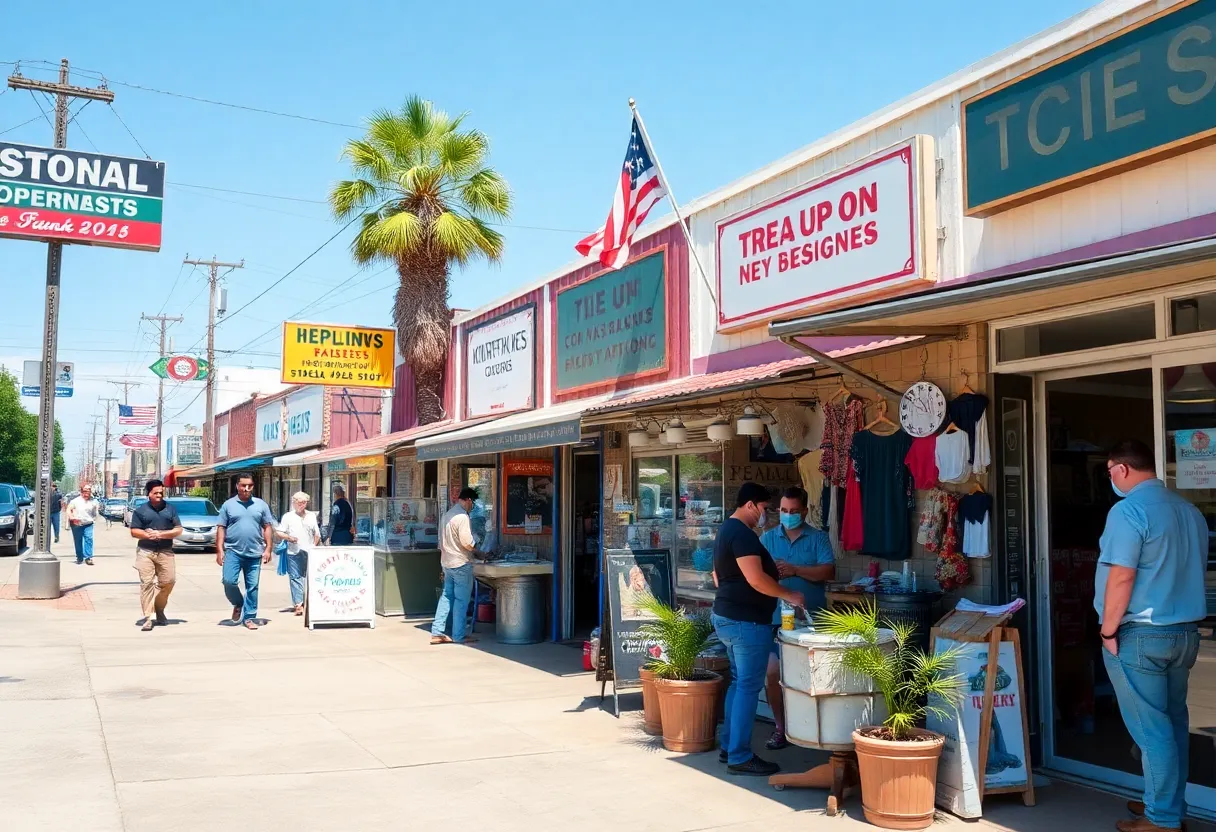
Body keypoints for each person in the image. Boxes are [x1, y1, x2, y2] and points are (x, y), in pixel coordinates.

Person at [1097, 440, 1207, 832]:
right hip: (1185, 634)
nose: (1110, 480)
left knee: (1152, 732)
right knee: (1173, 725)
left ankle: (1161, 821)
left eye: (1109, 472)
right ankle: (1165, 806)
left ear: (1123, 469)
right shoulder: (1189, 511)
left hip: (1140, 634)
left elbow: (1122, 576)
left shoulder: (1129, 511)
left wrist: (1108, 630)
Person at [712, 482, 805, 776]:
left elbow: (720, 576)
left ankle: (730, 746)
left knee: (739, 684)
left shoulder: (727, 530)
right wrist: (788, 594)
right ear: (751, 504)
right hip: (745, 622)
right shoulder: (741, 533)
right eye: (765, 509)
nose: (767, 515)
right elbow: (754, 579)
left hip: (730, 617)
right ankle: (739, 756)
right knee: (748, 688)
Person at [759, 486, 835, 750]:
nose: (788, 515)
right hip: (773, 620)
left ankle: (811, 729)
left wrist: (795, 570)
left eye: (793, 511)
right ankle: (780, 727)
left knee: (811, 677)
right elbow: (756, 575)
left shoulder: (818, 539)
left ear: (804, 511)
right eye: (783, 511)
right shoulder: (767, 539)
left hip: (811, 622)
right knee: (772, 673)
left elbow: (827, 571)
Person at [216, 474, 276, 630]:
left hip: (255, 552)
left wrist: (268, 548)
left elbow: (267, 527)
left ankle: (249, 617)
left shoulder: (261, 505)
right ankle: (238, 603)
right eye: (243, 485)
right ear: (237, 486)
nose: (247, 488)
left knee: (253, 586)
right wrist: (219, 549)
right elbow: (221, 527)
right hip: (233, 551)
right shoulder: (228, 505)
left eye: (250, 485)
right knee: (228, 581)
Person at [431, 487, 485, 645]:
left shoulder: (447, 515)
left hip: (447, 563)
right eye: (472, 503)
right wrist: (478, 551)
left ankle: (437, 632)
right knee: (461, 600)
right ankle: (459, 635)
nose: (472, 506)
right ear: (468, 500)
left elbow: (440, 541)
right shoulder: (462, 517)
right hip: (461, 563)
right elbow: (467, 542)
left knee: (446, 597)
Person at [128, 479, 183, 632]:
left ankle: (158, 608)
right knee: (147, 584)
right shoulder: (140, 511)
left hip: (166, 552)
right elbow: (134, 531)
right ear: (149, 494)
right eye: (156, 493)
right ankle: (148, 617)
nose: (159, 495)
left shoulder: (170, 509)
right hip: (146, 552)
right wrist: (147, 534)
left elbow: (178, 530)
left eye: (161, 492)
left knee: (169, 581)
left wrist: (162, 534)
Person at [275, 491, 321, 616]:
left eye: (304, 502)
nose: (302, 505)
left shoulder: (311, 515)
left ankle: (311, 601)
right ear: (294, 503)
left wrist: (314, 546)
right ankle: (299, 604)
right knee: (295, 577)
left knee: (310, 576)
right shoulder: (288, 517)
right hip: (293, 551)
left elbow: (317, 533)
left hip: (309, 551)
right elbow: (279, 532)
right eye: (299, 502)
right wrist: (289, 538)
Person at [66, 484, 100, 565]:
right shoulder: (75, 501)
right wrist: (71, 517)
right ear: (81, 492)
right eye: (85, 491)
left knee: (89, 539)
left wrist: (96, 510)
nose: (87, 493)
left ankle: (88, 558)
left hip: (88, 523)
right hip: (77, 523)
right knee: (78, 541)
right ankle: (79, 557)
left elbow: (96, 511)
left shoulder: (93, 501)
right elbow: (68, 509)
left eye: (88, 491)